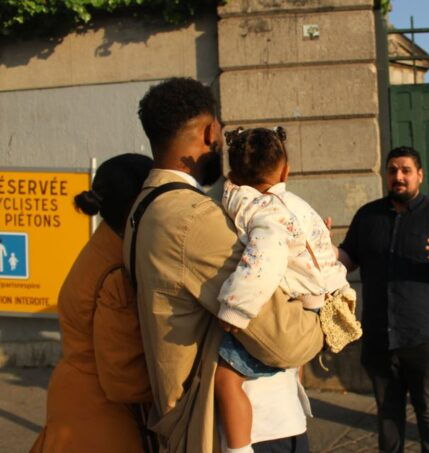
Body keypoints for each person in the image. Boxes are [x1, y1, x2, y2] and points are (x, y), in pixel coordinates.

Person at [125, 77, 324, 453]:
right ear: (209, 131)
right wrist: (326, 314)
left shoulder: (146, 206)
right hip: (256, 430)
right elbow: (285, 340)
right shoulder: (191, 218)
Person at [214, 126, 359, 452]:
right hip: (326, 299)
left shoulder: (261, 212)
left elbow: (266, 257)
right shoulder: (296, 204)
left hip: (310, 309)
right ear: (286, 170)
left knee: (225, 379)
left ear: (232, 173)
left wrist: (235, 309)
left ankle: (237, 450)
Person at [338, 146, 429, 453]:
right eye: (392, 170)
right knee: (388, 414)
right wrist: (321, 248)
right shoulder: (368, 216)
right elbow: (347, 259)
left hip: (425, 336)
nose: (398, 177)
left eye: (405, 170)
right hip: (379, 336)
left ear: (420, 175)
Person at [31, 153, 154, 453]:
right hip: (99, 418)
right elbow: (122, 377)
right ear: (136, 209)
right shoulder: (116, 272)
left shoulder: (105, 244)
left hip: (75, 399)